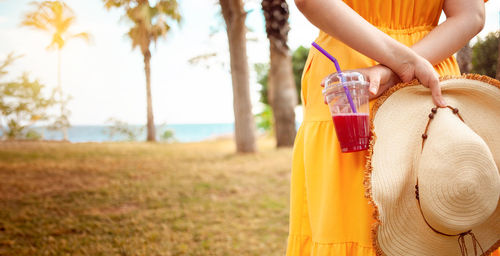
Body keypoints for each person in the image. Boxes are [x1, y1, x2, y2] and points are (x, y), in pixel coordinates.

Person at [286, 0, 500, 255]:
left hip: (352, 77)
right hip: (426, 69)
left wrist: (398, 65)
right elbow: (470, 15)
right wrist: (402, 64)